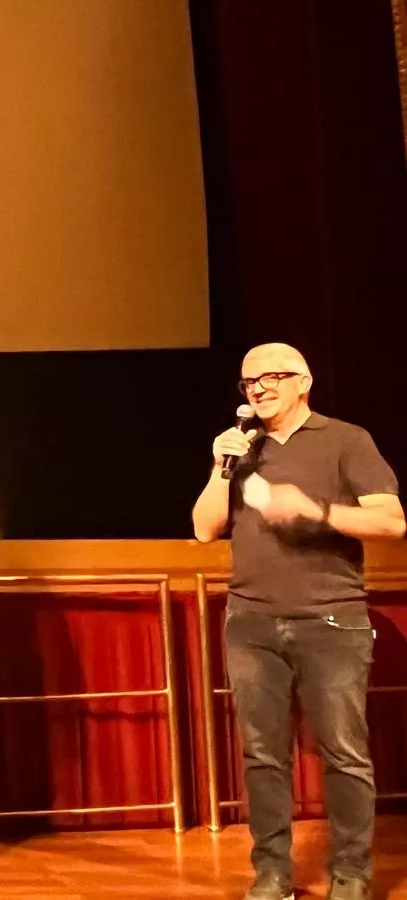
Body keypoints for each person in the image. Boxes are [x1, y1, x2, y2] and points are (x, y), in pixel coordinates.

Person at [191, 343, 404, 900]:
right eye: (248, 382)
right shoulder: (243, 451)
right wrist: (219, 469)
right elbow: (204, 529)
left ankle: (352, 874)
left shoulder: (346, 440)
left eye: (271, 377)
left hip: (331, 619)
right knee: (262, 755)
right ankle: (273, 874)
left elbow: (392, 522)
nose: (259, 388)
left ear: (303, 381)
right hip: (251, 621)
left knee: (343, 753)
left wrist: (317, 511)